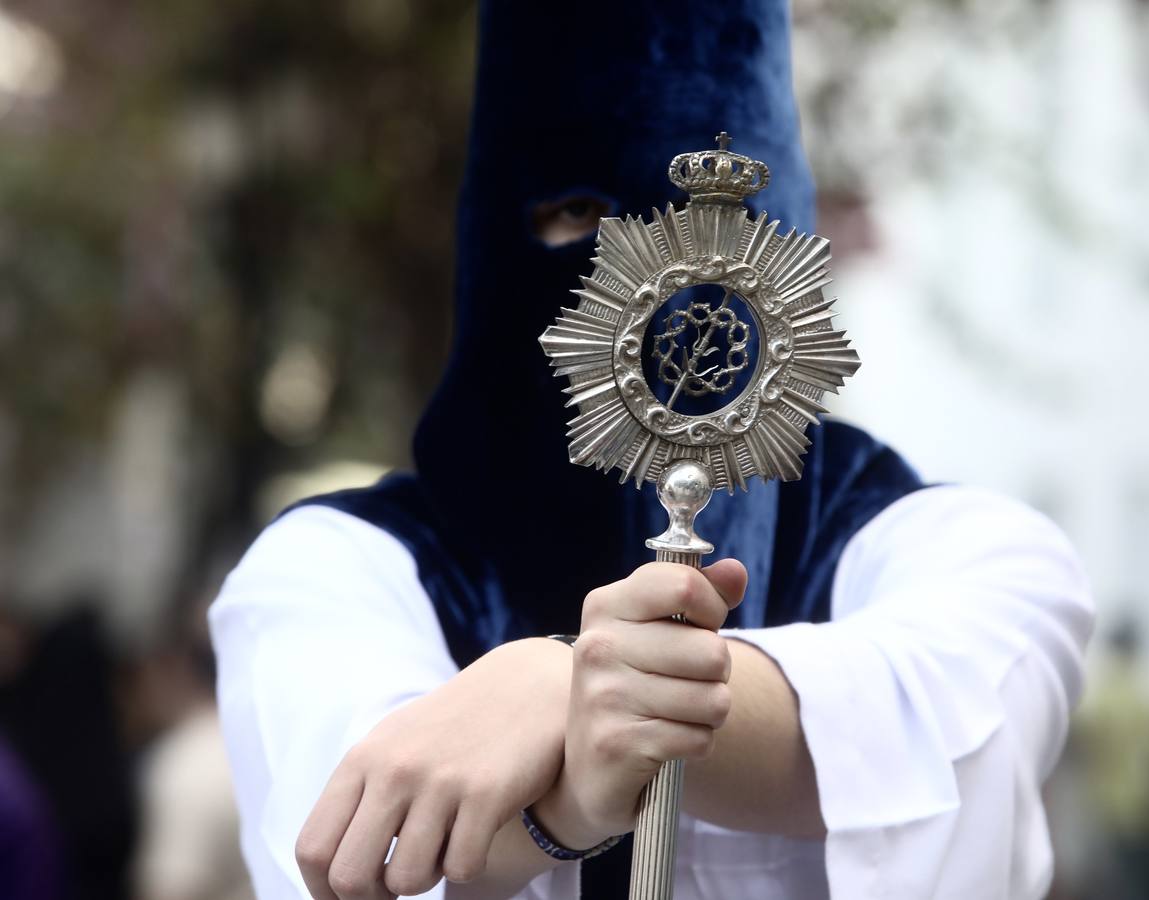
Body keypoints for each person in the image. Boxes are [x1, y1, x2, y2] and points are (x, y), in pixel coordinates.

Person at [209, 2, 1095, 898]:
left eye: (702, 222)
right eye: (580, 213)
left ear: (774, 244)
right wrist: (566, 802)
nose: (643, 280)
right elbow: (356, 836)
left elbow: (946, 733)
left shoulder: (972, 550)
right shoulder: (333, 565)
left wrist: (575, 692)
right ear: (491, 233)